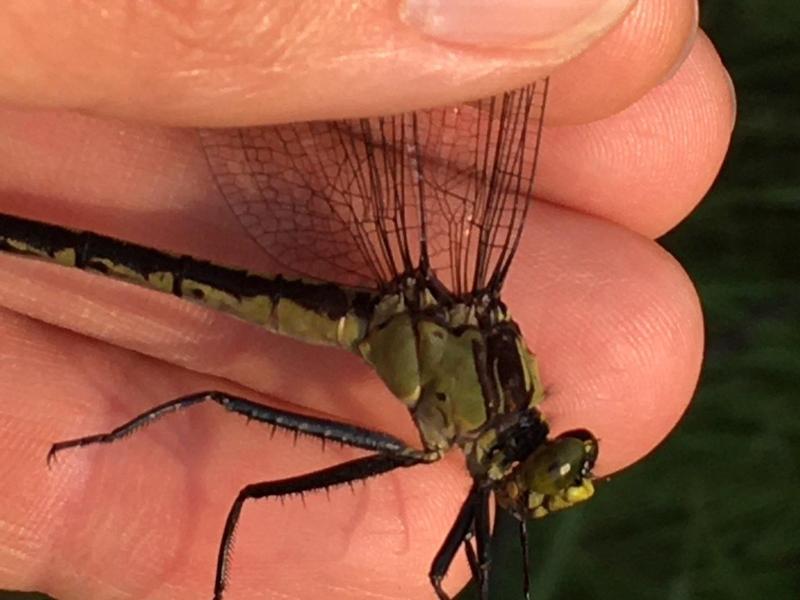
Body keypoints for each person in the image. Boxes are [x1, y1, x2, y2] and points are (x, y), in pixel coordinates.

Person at [0, 1, 734, 598]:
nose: (521, 498)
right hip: (380, 314)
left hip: (404, 317)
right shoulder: (482, 433)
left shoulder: (498, 408)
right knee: (231, 444)